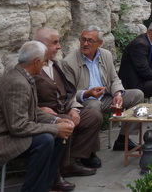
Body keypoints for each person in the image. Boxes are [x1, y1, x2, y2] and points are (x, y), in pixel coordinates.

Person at [0, 41, 74, 192]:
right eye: (43, 62)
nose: (43, 65)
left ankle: (47, 186)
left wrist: (56, 120)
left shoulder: (22, 76)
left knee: (57, 136)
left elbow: (32, 111)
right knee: (46, 139)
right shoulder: (18, 83)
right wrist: (55, 128)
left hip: (10, 135)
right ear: (36, 62)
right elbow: (18, 126)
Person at [34, 28, 101, 188]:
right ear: (42, 46)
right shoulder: (31, 68)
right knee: (66, 122)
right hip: (44, 117)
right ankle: (55, 173)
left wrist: (75, 109)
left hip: (64, 110)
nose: (59, 47)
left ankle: (71, 162)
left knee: (93, 117)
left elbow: (69, 93)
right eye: (55, 43)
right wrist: (40, 109)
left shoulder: (56, 65)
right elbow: (24, 99)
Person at [61, 25, 144, 152]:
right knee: (94, 105)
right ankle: (91, 151)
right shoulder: (69, 62)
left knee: (137, 95)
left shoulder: (106, 55)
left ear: (100, 43)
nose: (85, 43)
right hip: (86, 101)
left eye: (90, 41)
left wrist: (117, 94)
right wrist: (87, 93)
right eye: (82, 39)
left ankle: (123, 139)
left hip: (106, 97)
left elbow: (114, 79)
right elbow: (68, 93)